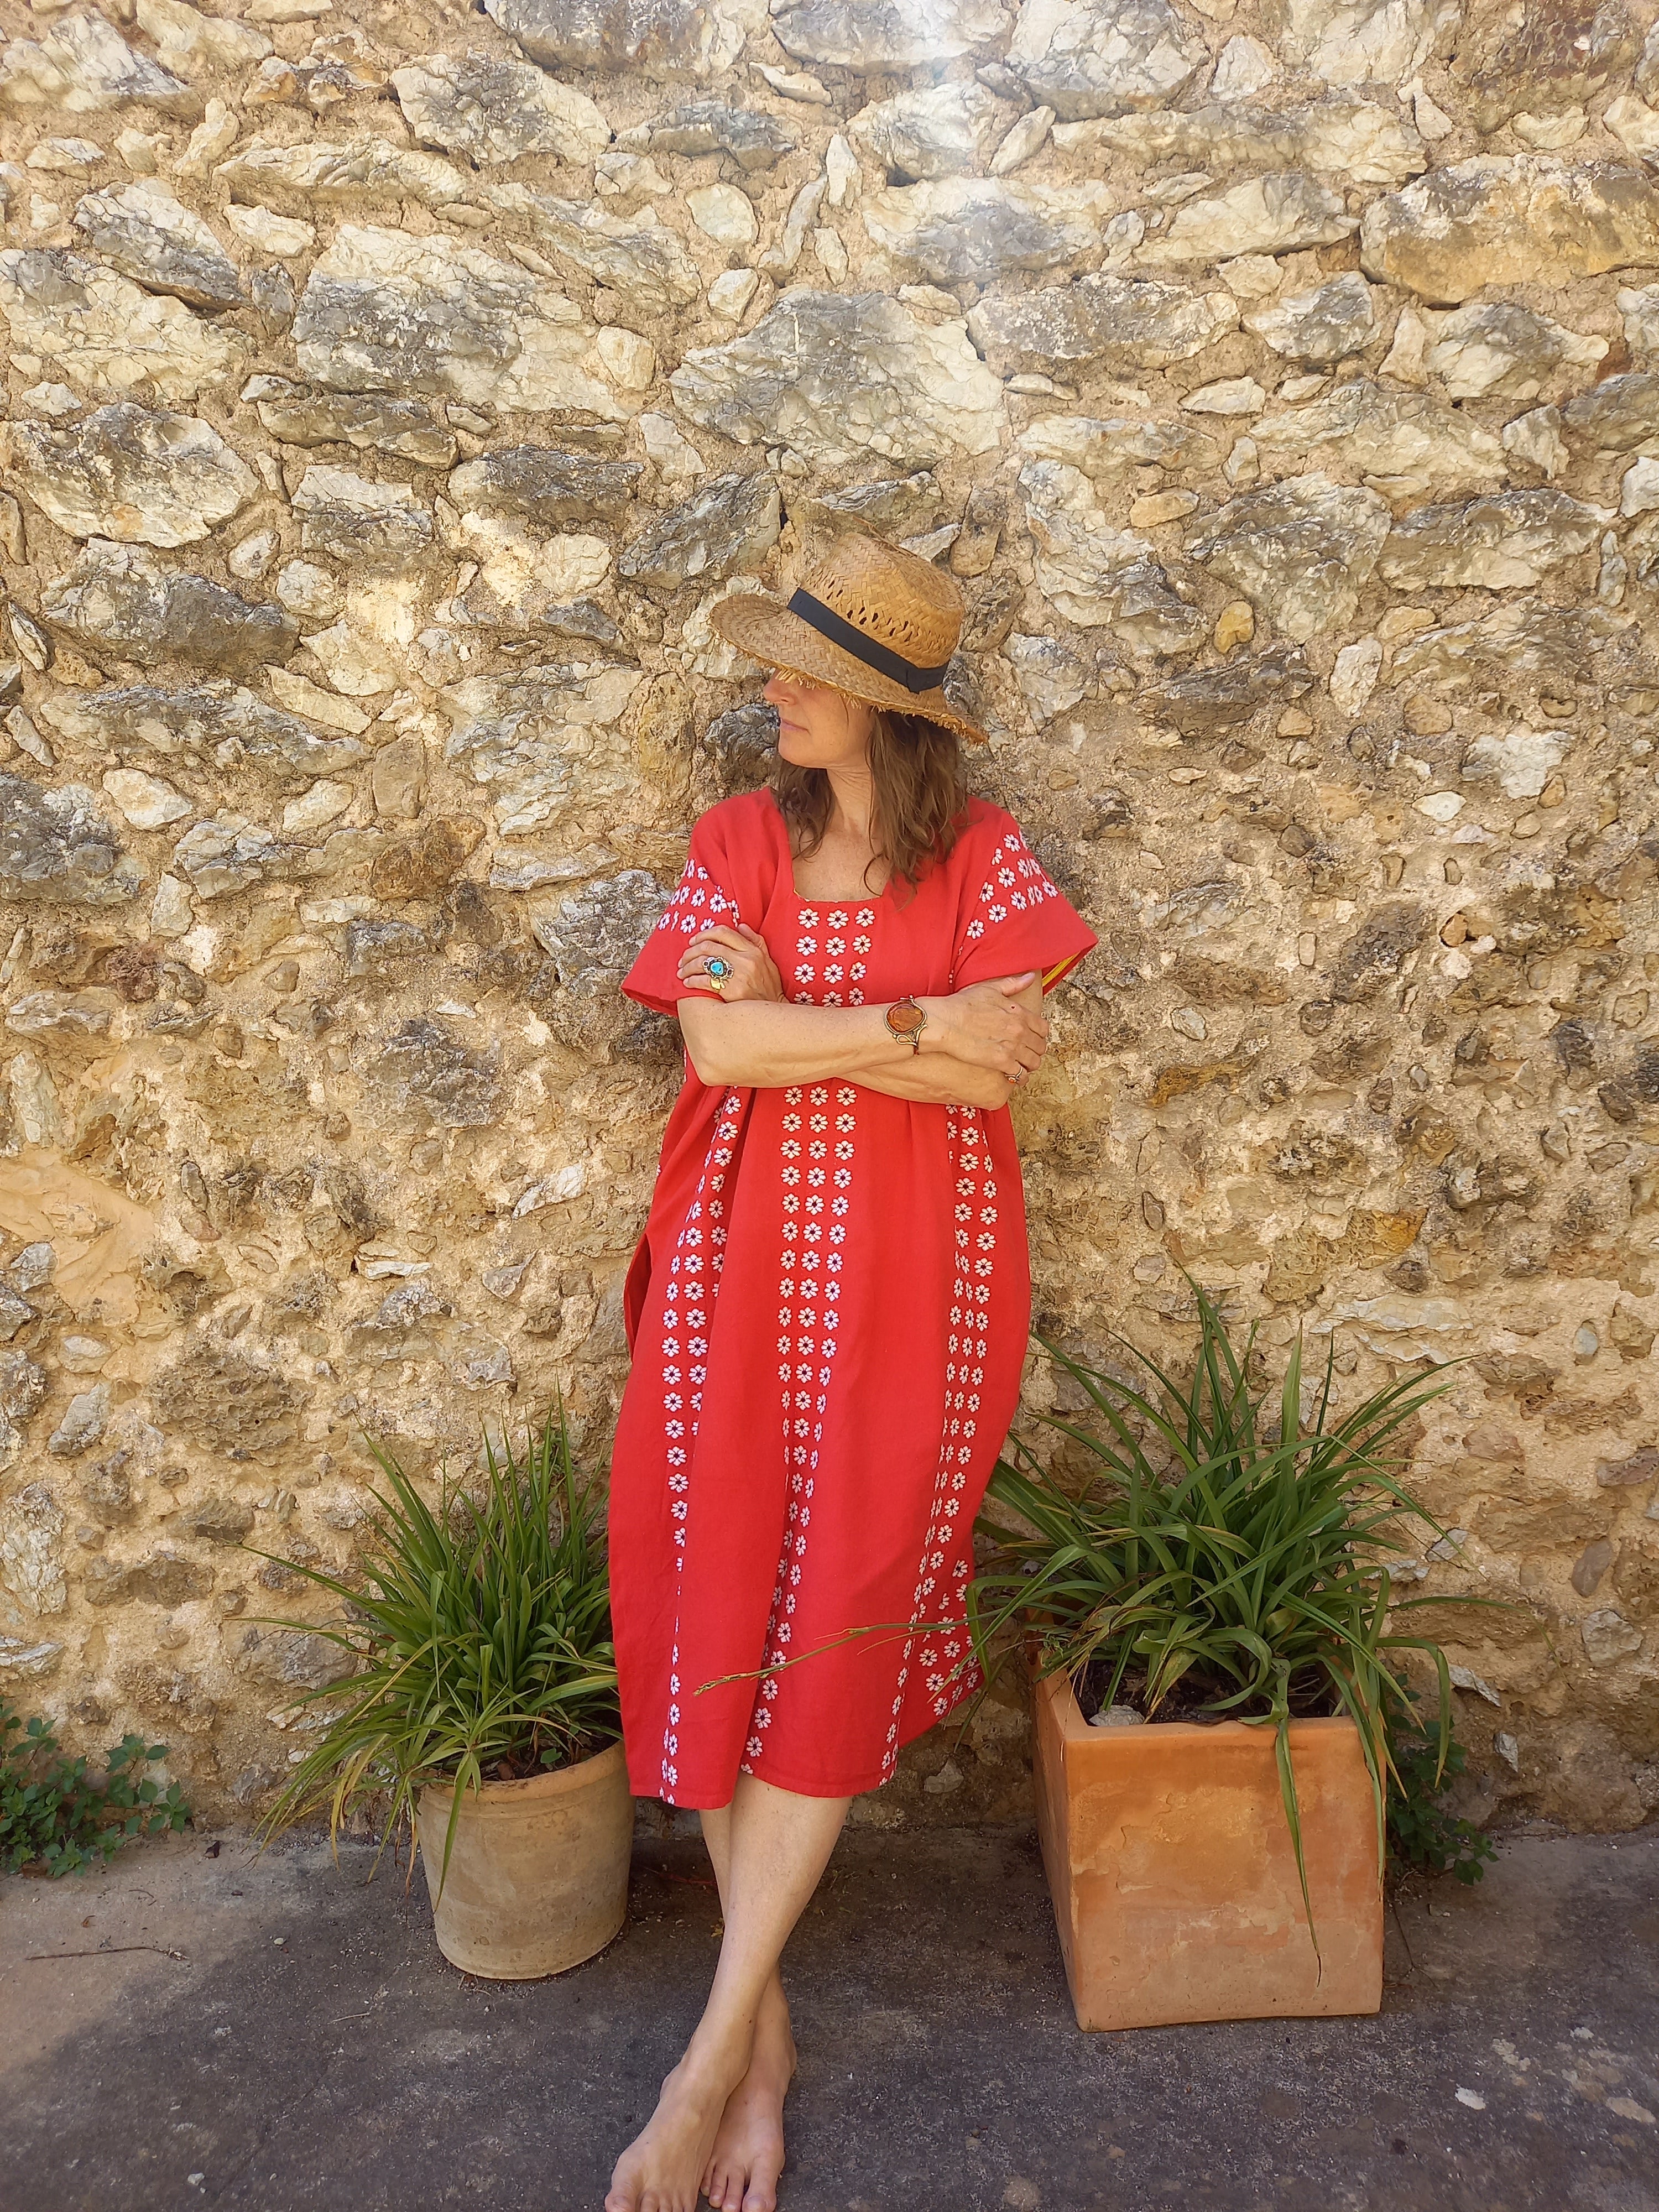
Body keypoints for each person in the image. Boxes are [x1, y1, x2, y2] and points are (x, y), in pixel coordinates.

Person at [604, 533, 1097, 2212]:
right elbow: (718, 1044)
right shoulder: (736, 838)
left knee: (836, 1624)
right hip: (733, 1289)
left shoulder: (991, 859)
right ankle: (756, 2042)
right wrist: (908, 1022)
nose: (772, 692)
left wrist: (822, 1018)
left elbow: (997, 1078)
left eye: (804, 673)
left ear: (889, 705)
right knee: (722, 1610)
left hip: (921, 1306)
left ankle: (713, 2061)